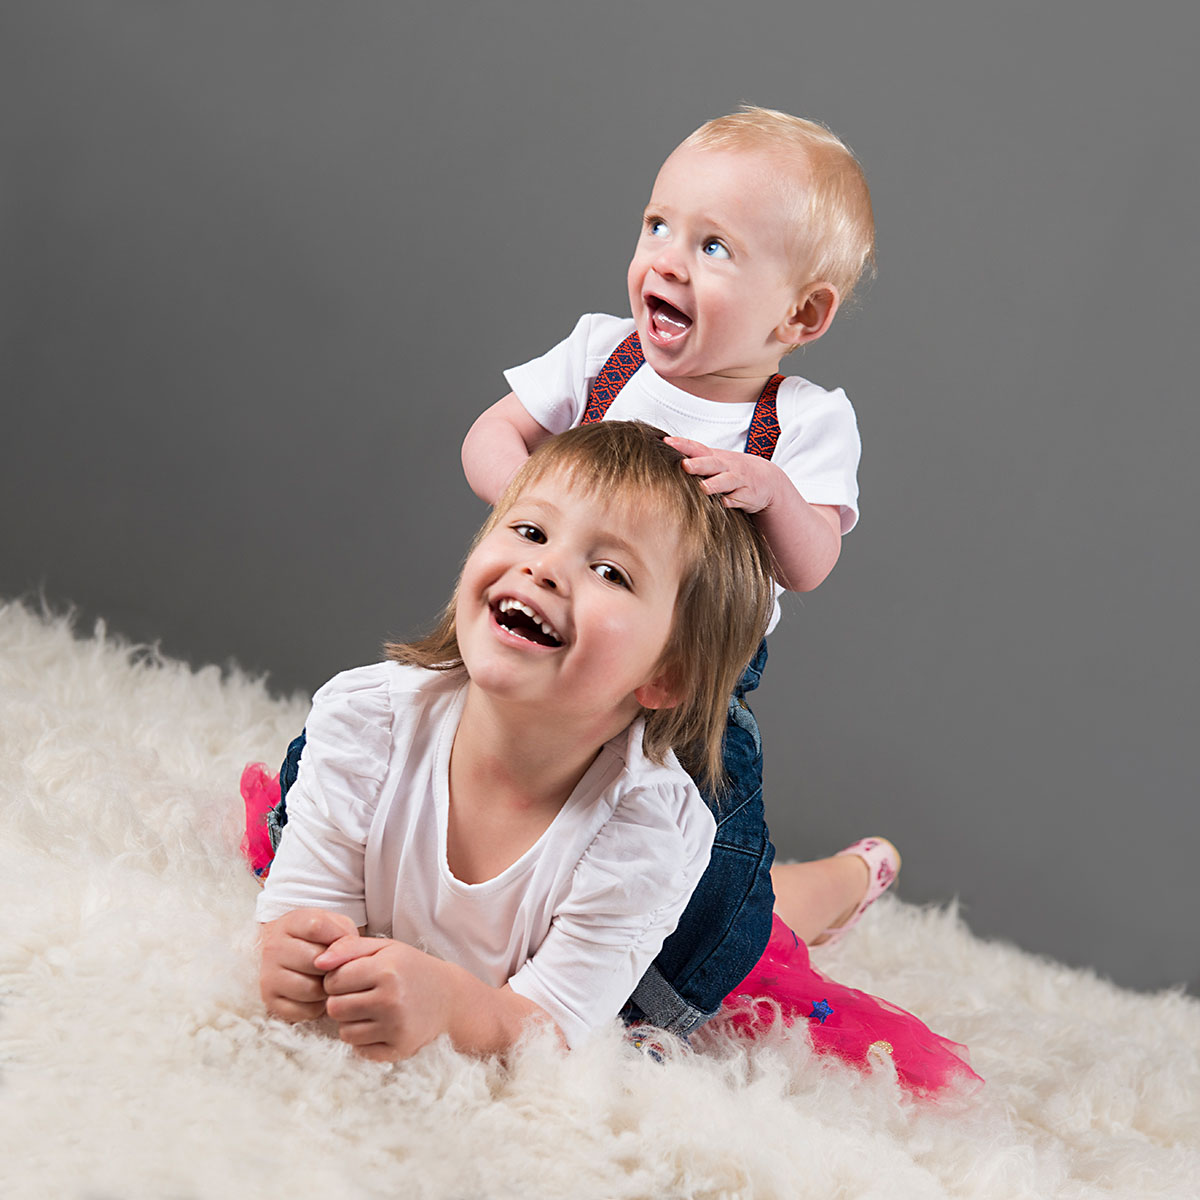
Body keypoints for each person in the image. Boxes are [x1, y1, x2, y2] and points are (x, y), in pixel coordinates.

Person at [461, 107, 884, 1036]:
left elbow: (811, 562)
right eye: (658, 225)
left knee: (705, 842)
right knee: (436, 720)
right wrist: (546, 507)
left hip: (688, 677)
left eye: (714, 247)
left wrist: (772, 493)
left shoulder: (802, 422)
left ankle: (681, 981)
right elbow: (490, 435)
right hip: (556, 627)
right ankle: (344, 846)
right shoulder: (601, 354)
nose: (668, 260)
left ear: (801, 314)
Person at [247, 421, 776, 1059]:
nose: (544, 567)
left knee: (721, 934)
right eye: (530, 531)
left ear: (666, 675)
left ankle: (838, 881)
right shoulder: (368, 722)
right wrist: (295, 948)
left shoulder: (645, 836)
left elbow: (554, 1029)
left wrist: (452, 1006)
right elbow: (307, 907)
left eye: (610, 572)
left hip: (676, 941)